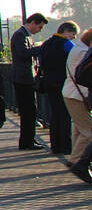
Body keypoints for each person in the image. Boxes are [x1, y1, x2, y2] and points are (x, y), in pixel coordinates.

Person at [38, 21, 78, 156]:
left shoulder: (46, 44)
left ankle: (55, 146)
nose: (74, 37)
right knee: (65, 114)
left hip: (49, 82)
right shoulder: (66, 44)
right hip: (63, 82)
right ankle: (66, 147)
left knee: (54, 114)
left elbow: (41, 62)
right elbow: (75, 60)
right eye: (73, 34)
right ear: (66, 31)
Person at [9, 13, 48, 150]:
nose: (39, 30)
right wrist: (41, 48)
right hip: (23, 78)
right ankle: (27, 141)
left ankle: (29, 139)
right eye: (39, 27)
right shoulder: (20, 35)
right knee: (28, 111)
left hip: (24, 78)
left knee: (30, 111)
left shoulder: (24, 35)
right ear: (32, 23)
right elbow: (23, 53)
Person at [62, 28, 92, 183]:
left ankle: (75, 158)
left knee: (79, 129)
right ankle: (76, 161)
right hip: (76, 95)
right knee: (88, 132)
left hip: (71, 93)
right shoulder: (83, 52)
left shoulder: (78, 49)